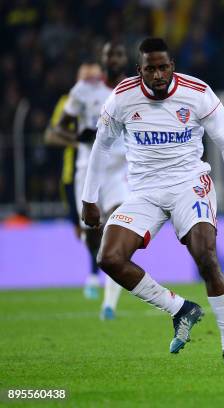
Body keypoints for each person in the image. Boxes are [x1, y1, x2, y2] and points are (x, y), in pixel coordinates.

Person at [81, 37, 224, 366]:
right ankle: (180, 309)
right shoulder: (122, 98)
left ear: (172, 66)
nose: (158, 75)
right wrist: (90, 198)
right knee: (109, 257)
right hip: (143, 191)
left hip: (190, 184)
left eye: (163, 67)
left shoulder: (197, 93)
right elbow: (100, 147)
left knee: (206, 257)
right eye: (150, 69)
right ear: (139, 70)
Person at [46, 47, 127, 320]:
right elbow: (57, 129)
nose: (113, 61)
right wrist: (79, 139)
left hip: (119, 172)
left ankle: (109, 304)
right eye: (109, 57)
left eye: (118, 57)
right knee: (93, 233)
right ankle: (94, 271)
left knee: (117, 228)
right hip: (87, 171)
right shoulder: (81, 91)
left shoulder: (131, 89)